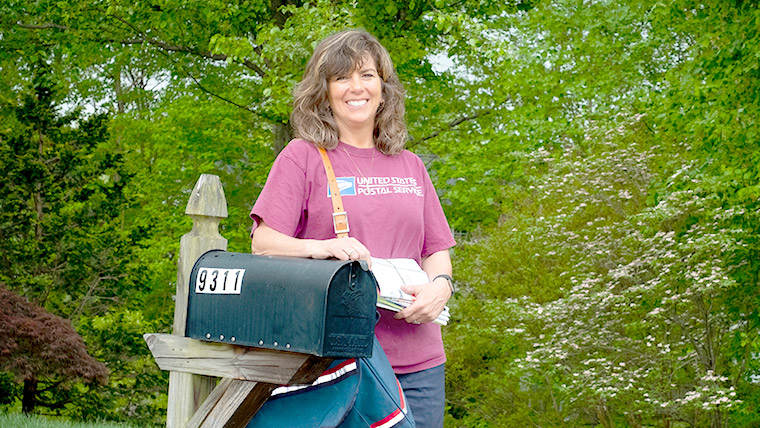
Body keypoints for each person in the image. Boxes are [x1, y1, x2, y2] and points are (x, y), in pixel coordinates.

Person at [250, 29, 456, 428]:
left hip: (420, 360)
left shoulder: (410, 164)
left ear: (384, 88)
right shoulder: (303, 157)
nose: (355, 88)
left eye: (366, 75)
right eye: (341, 77)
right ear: (323, 91)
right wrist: (322, 247)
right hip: (341, 362)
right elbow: (263, 243)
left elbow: (436, 251)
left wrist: (441, 289)